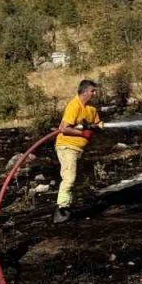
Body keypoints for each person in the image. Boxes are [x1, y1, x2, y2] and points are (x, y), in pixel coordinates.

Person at [54, 79, 102, 224]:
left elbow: (96, 124)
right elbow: (63, 128)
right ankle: (61, 209)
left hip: (79, 149)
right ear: (85, 91)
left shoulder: (91, 109)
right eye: (92, 91)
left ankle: (67, 207)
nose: (94, 93)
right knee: (69, 178)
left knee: (74, 179)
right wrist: (82, 134)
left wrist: (99, 127)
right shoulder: (74, 105)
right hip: (67, 147)